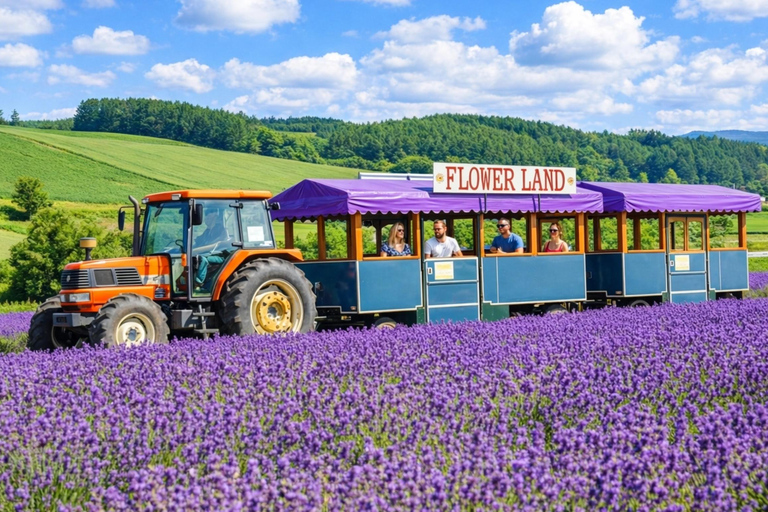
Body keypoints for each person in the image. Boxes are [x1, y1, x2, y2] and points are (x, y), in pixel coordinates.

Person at [193, 208, 232, 288]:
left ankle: (198, 282)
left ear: (214, 218)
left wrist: (197, 250)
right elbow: (199, 242)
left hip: (219, 255)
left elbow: (217, 244)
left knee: (202, 258)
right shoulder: (207, 231)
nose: (206, 219)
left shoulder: (221, 230)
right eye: (206, 217)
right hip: (210, 253)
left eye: (209, 217)